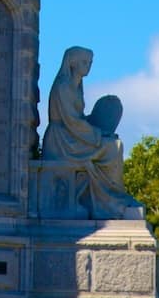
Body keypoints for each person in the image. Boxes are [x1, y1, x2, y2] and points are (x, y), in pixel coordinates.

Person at [41, 46, 139, 219]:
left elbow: (77, 120)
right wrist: (97, 135)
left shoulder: (76, 85)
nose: (88, 66)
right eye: (84, 62)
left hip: (72, 136)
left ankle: (112, 199)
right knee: (113, 148)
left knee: (112, 145)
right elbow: (71, 121)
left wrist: (100, 128)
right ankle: (112, 202)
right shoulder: (63, 87)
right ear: (72, 63)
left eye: (90, 63)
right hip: (62, 141)